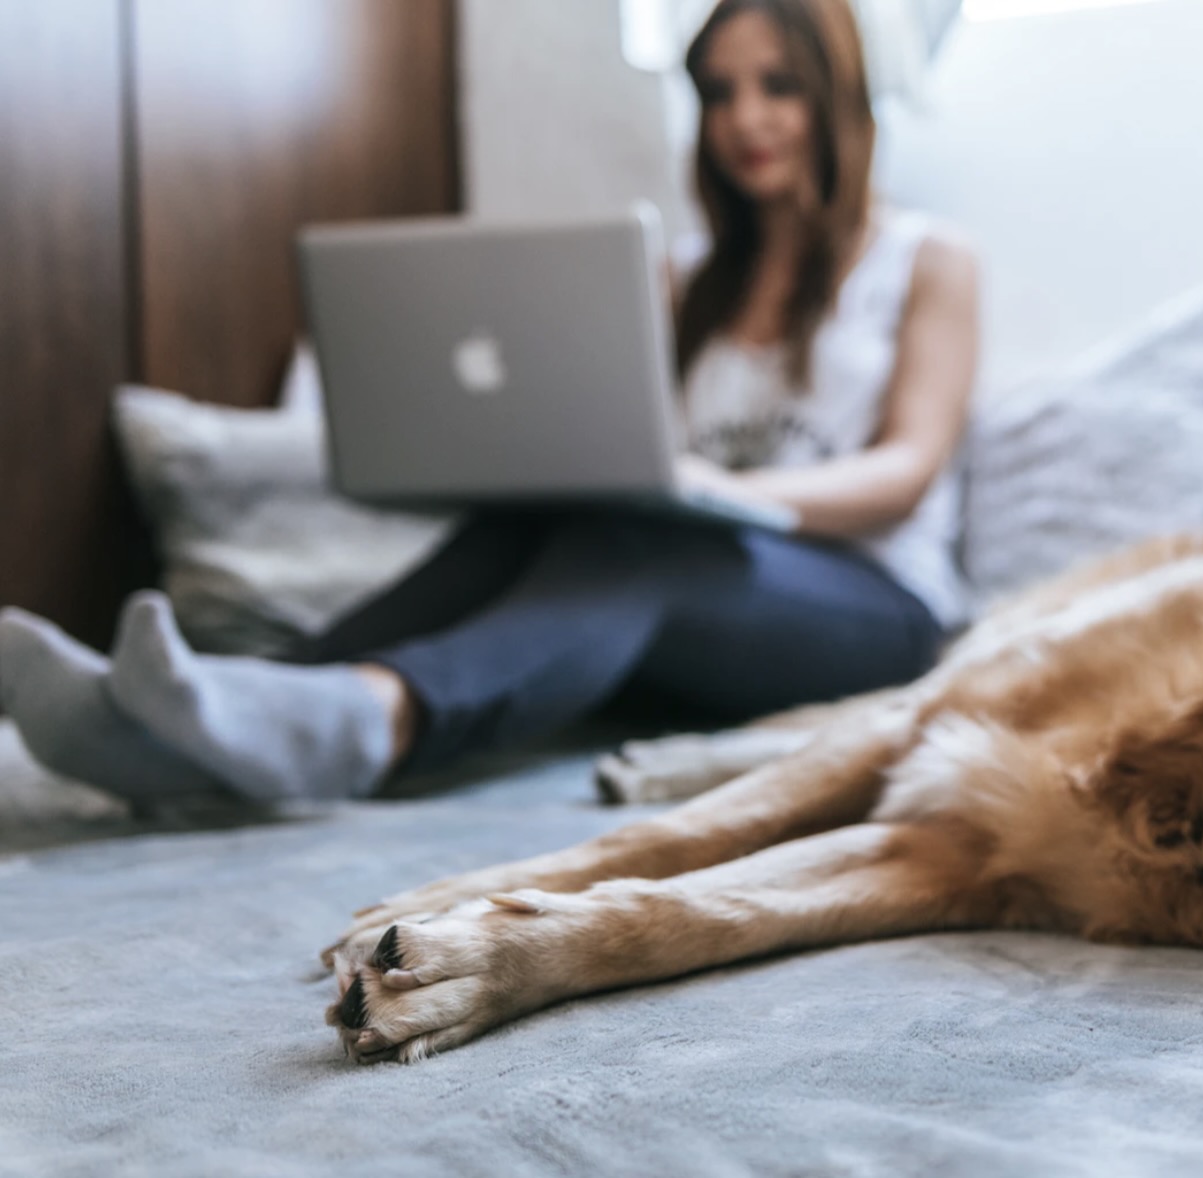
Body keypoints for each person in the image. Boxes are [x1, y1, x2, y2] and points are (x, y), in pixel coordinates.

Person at [0, 0, 978, 806]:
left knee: (644, 546)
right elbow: (626, 443)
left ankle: (366, 719)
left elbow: (907, 471)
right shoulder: (682, 282)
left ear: (835, 94)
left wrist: (725, 486)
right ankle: (222, 710)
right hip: (695, 581)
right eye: (719, 93)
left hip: (871, 607)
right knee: (555, 518)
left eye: (778, 87)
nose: (745, 120)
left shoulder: (926, 259)